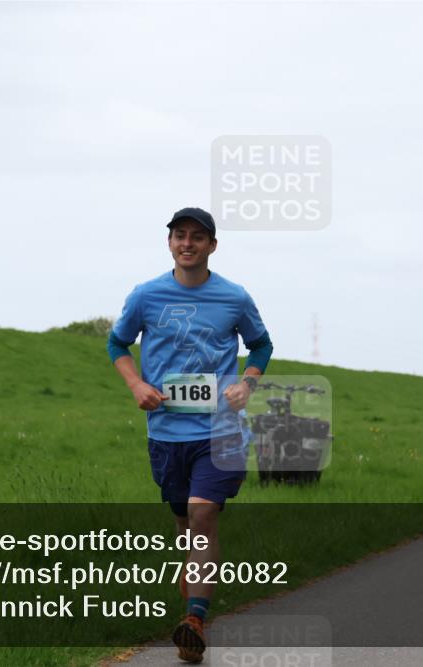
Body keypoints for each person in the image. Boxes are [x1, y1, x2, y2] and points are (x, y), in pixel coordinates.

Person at [108, 207, 273, 663]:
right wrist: (137, 385)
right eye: (179, 236)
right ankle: (193, 602)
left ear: (212, 246)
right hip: (166, 432)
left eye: (197, 237)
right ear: (170, 243)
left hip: (220, 430)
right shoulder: (146, 296)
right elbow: (116, 343)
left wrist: (248, 382)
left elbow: (261, 344)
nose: (187, 243)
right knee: (186, 525)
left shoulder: (233, 298)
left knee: (202, 516)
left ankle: (194, 618)